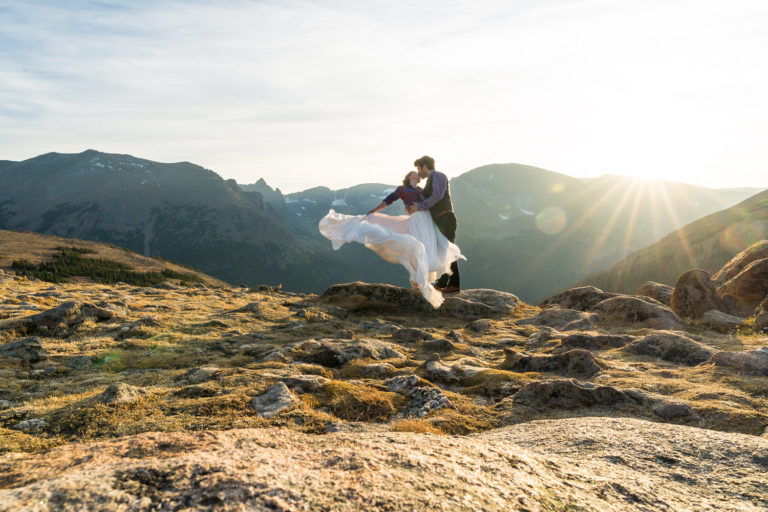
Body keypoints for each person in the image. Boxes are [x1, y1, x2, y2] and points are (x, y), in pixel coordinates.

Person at [318, 170, 465, 308]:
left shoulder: (421, 190)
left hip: (427, 221)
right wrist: (374, 211)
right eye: (414, 173)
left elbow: (431, 201)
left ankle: (424, 279)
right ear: (409, 177)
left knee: (429, 247)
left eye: (417, 172)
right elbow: (389, 200)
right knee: (416, 246)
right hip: (416, 220)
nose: (417, 173)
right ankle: (417, 279)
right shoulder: (402, 189)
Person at [406, 155, 460, 293]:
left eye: (418, 168)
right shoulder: (430, 180)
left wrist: (420, 206)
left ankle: (453, 285)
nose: (418, 172)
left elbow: (437, 195)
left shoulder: (438, 176)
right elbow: (425, 196)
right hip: (440, 219)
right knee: (442, 250)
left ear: (424, 166)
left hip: (445, 218)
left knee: (447, 250)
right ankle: (443, 283)